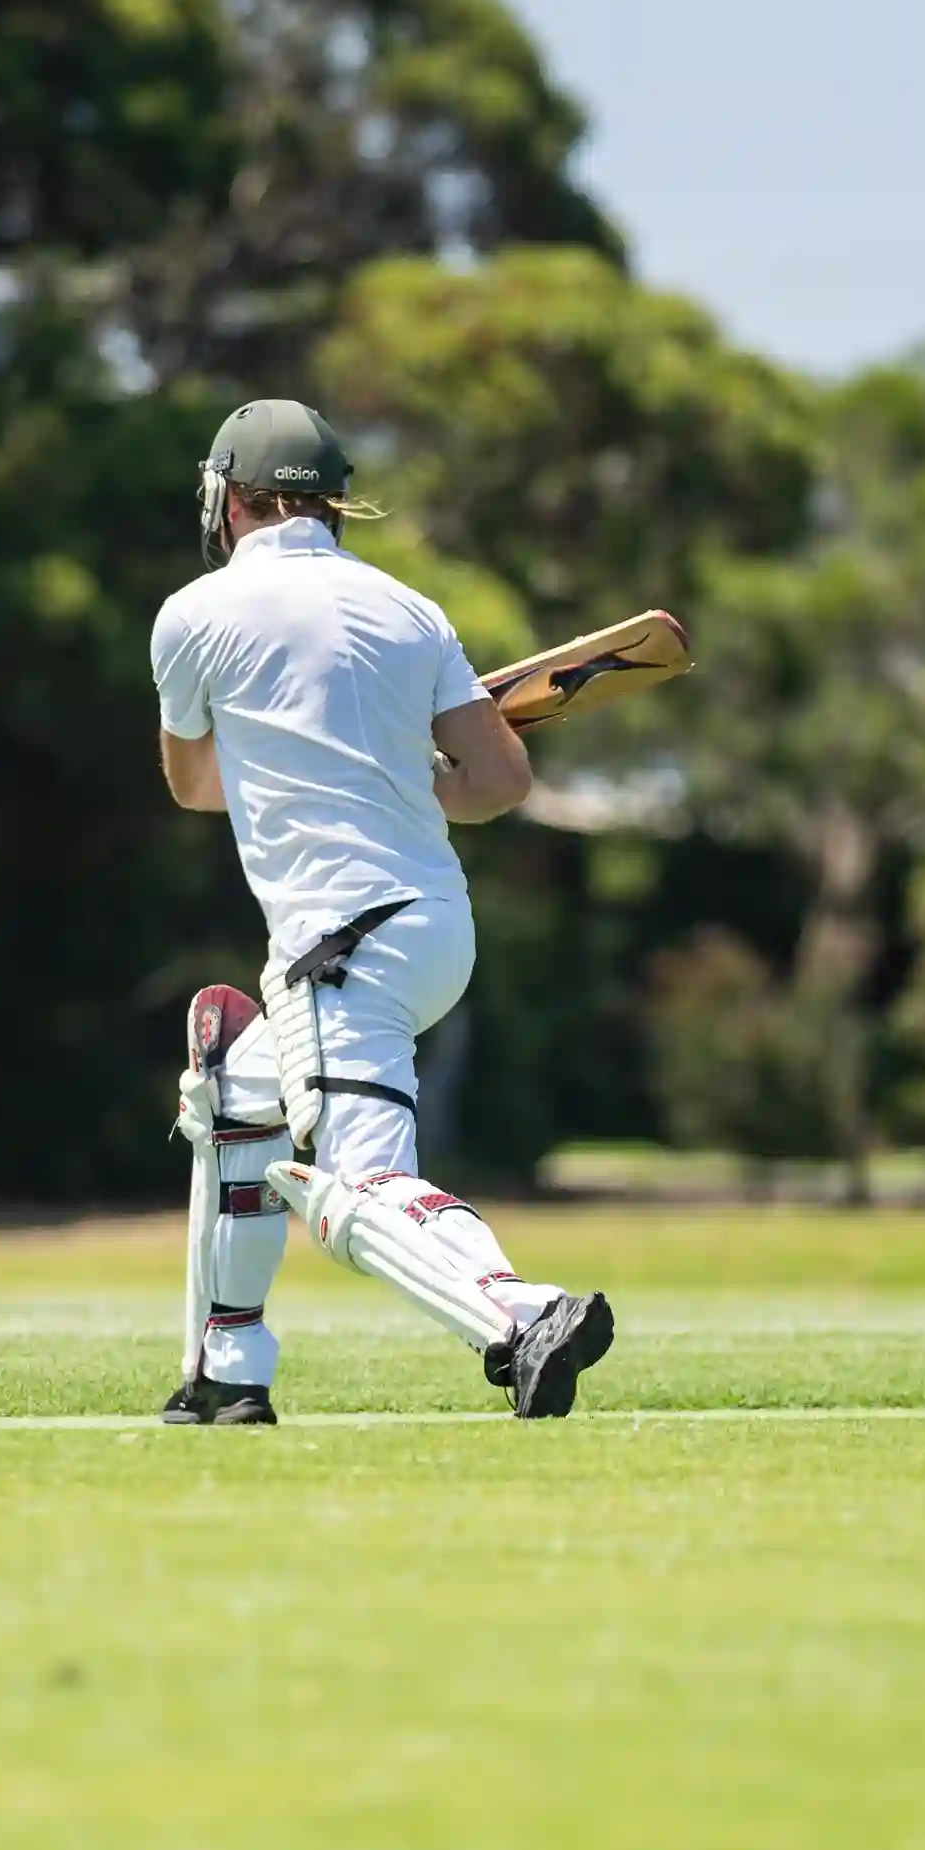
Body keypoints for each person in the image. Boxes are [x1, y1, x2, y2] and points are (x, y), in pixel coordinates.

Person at [150, 397, 613, 1423]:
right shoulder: (410, 610)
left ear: (228, 497)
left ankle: (520, 1312)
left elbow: (195, 783)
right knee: (235, 1096)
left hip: (336, 945)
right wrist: (402, 772)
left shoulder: (193, 615)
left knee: (355, 1191)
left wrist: (320, 762)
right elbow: (499, 782)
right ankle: (229, 1367)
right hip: (434, 931)